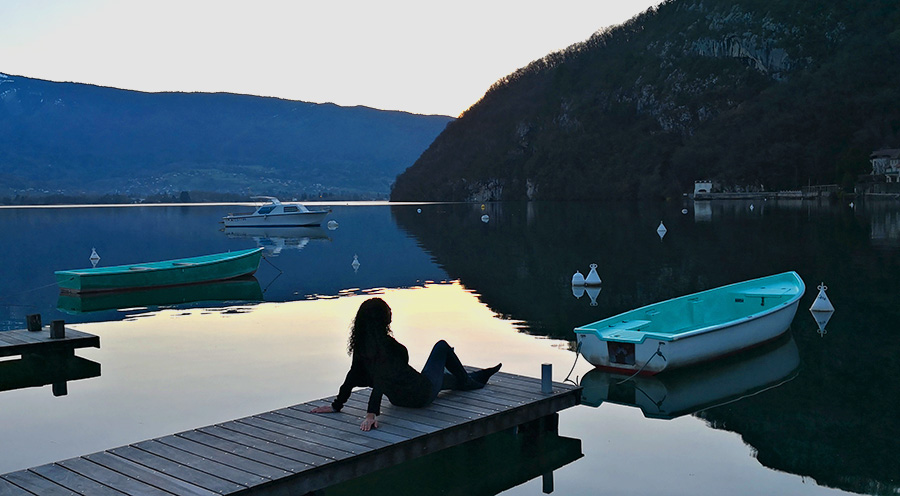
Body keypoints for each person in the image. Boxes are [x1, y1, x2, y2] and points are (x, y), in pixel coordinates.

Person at [311, 297, 501, 431]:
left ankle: (477, 377)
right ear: (383, 320)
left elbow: (354, 375)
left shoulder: (362, 347)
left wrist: (337, 405)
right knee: (442, 347)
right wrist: (370, 414)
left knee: (451, 380)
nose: (391, 312)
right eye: (388, 311)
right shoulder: (392, 348)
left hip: (399, 399)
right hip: (422, 393)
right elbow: (380, 380)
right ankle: (469, 382)